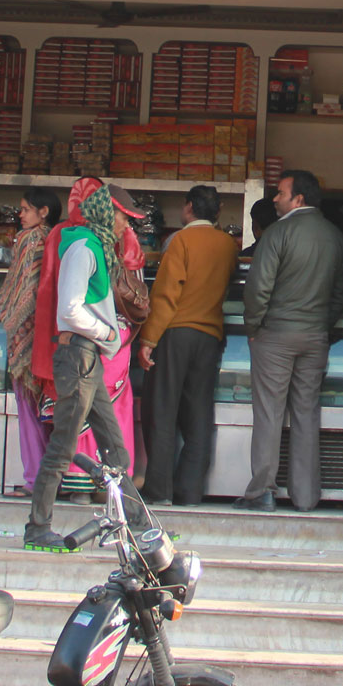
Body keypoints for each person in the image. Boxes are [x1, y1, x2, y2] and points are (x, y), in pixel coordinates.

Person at [24, 182, 137, 550]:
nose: (125, 225)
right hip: (78, 356)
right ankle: (37, 528)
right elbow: (69, 309)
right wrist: (108, 333)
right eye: (122, 216)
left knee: (115, 448)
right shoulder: (83, 248)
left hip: (87, 358)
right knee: (63, 445)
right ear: (106, 212)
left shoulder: (94, 246)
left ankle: (138, 523)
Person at [239, 168, 343, 512]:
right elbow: (341, 294)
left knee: (270, 414)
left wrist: (253, 328)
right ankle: (306, 497)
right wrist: (323, 326)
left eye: (280, 193)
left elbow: (258, 289)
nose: (274, 199)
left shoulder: (277, 233)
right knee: (306, 414)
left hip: (275, 336)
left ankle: (262, 492)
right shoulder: (336, 237)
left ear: (298, 199)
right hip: (315, 338)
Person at [140, 184, 237, 505]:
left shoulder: (180, 241)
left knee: (163, 411)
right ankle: (190, 491)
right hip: (210, 336)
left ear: (189, 207)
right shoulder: (227, 245)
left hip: (176, 332)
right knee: (198, 415)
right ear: (218, 212)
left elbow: (166, 295)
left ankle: (159, 490)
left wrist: (149, 339)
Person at [0, 186, 61, 494]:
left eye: (25, 209)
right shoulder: (54, 238)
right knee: (47, 410)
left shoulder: (30, 240)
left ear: (43, 212)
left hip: (27, 340)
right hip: (46, 337)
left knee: (30, 410)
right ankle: (51, 477)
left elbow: (21, 290)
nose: (20, 215)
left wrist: (10, 313)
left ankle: (35, 478)